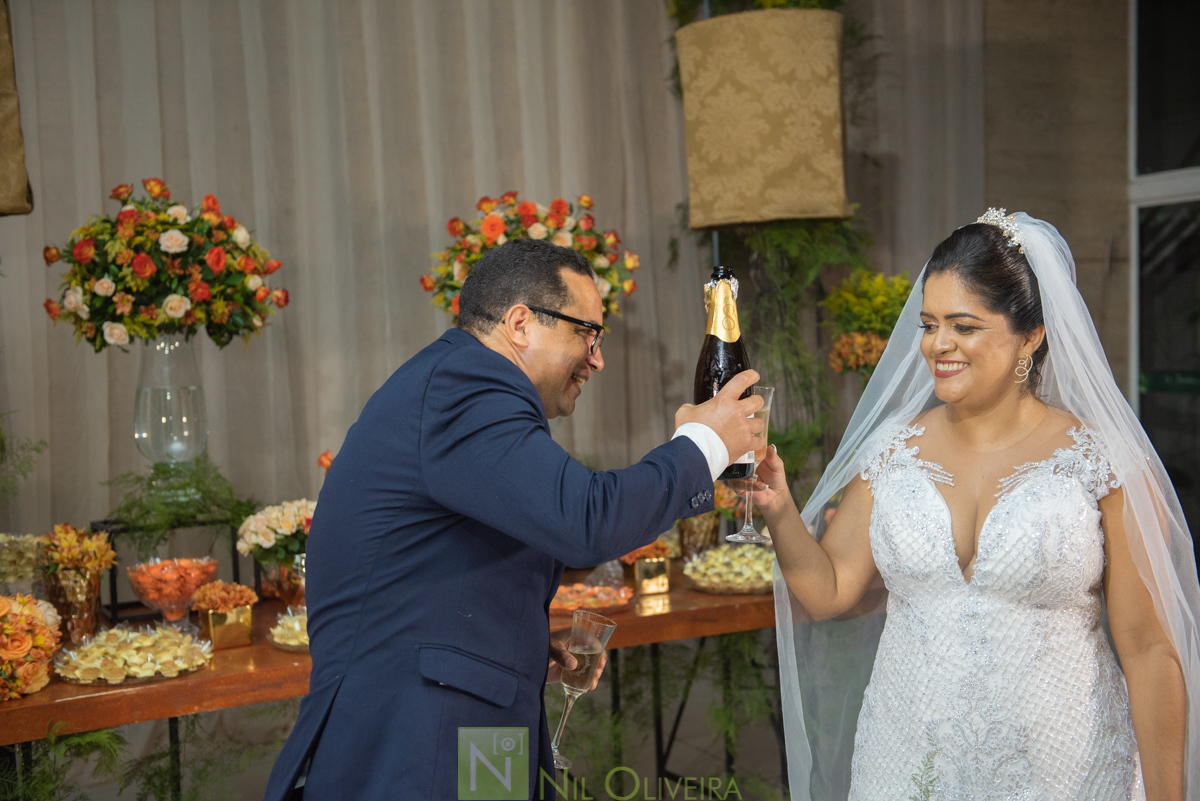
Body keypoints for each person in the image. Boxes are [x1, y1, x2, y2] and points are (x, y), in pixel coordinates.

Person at [262, 238, 763, 801]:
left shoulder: (464, 385)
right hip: (417, 744)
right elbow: (585, 520)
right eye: (587, 332)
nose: (597, 357)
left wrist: (513, 638)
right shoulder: (465, 387)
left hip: (467, 723)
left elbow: (442, 563)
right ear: (521, 323)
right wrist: (704, 445)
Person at [754, 211, 1200, 800]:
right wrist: (778, 505)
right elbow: (829, 589)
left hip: (1064, 771)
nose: (939, 345)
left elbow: (1147, 649)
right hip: (906, 762)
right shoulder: (892, 449)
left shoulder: (1101, 461)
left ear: (1030, 335)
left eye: (963, 326)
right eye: (929, 324)